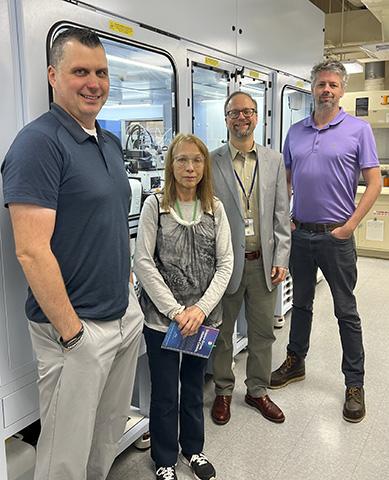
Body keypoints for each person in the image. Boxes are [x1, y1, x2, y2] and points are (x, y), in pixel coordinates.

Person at [1, 27, 143, 480]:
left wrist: (128, 295)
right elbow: (30, 251)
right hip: (77, 332)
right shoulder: (38, 143)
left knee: (105, 438)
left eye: (100, 72)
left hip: (122, 317)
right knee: (64, 459)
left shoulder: (108, 143)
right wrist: (73, 335)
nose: (93, 82)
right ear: (53, 76)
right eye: (79, 71)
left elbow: (113, 223)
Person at [270, 59, 382, 423]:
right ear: (312, 87)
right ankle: (296, 361)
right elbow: (286, 178)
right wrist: (285, 218)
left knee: (345, 311)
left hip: (336, 236)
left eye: (333, 85)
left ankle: (354, 383)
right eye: (321, 84)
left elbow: (374, 182)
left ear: (342, 90)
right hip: (301, 233)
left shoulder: (358, 130)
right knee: (299, 305)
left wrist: (349, 226)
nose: (327, 90)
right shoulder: (296, 131)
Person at [133, 133, 233, 480]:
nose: (189, 168)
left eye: (197, 160)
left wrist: (200, 310)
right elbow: (143, 262)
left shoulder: (214, 208)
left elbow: (225, 264)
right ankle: (163, 458)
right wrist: (176, 311)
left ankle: (193, 450)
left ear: (205, 166)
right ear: (170, 164)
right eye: (182, 160)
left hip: (202, 321)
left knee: (193, 387)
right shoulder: (154, 206)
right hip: (163, 320)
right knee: (164, 393)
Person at [210, 91, 291, 426]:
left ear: (257, 117)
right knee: (222, 333)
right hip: (225, 265)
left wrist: (282, 258)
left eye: (247, 112)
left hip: (263, 262)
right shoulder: (211, 161)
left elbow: (281, 216)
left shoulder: (273, 161)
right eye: (234, 113)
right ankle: (223, 391)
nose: (241, 118)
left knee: (263, 332)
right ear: (226, 118)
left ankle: (257, 390)